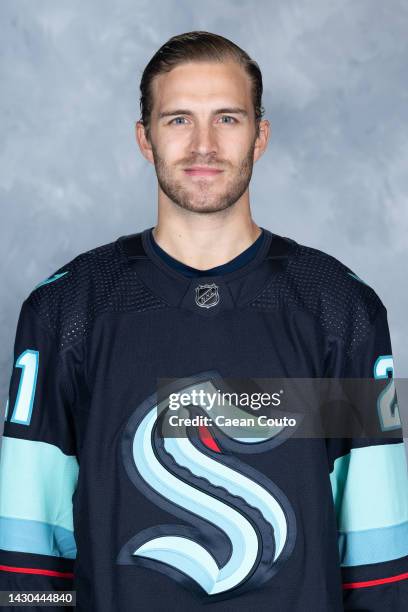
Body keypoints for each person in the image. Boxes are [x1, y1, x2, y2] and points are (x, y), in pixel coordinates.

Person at [1, 30, 407, 612]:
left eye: (227, 119)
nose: (203, 145)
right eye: (177, 121)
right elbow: (28, 551)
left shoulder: (339, 308)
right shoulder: (68, 310)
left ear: (260, 135)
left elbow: (375, 549)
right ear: (145, 139)